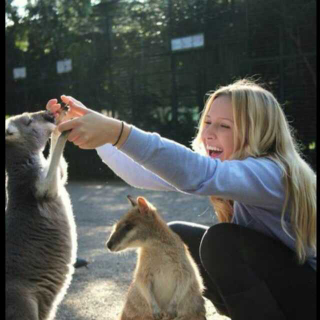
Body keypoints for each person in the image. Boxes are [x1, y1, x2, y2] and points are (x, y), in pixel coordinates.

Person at [47, 79, 316, 319]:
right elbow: (140, 174)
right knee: (174, 237)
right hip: (285, 286)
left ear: (259, 133)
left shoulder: (273, 173)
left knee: (221, 242)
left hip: (307, 298)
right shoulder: (232, 170)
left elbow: (194, 173)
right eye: (208, 122)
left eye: (224, 126)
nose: (209, 132)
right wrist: (100, 137)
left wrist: (118, 132)